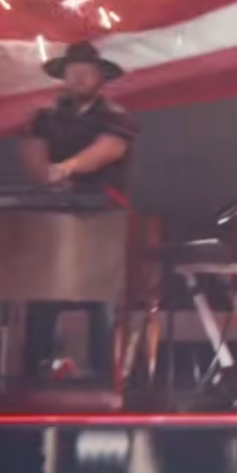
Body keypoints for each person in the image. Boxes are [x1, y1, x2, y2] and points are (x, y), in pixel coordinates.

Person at [18, 41, 141, 380]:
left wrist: (66, 168)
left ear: (100, 77)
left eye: (87, 71)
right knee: (42, 297)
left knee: (101, 299)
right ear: (64, 75)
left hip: (102, 219)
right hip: (53, 218)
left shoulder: (116, 117)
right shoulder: (45, 117)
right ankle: (35, 376)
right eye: (74, 71)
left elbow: (109, 148)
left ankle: (102, 377)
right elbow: (33, 151)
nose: (80, 77)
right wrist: (45, 175)